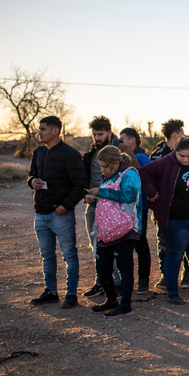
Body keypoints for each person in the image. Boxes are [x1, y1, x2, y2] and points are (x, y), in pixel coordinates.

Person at [139, 138, 189, 304]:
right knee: (174, 256)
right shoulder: (165, 162)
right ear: (176, 152)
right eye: (182, 156)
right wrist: (152, 192)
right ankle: (173, 293)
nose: (186, 159)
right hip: (176, 220)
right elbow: (142, 172)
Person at [27, 115, 87, 308]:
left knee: (69, 254)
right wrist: (31, 181)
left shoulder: (70, 154)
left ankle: (71, 295)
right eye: (39, 129)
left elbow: (80, 185)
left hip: (60, 214)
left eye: (43, 129)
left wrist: (65, 206)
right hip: (41, 213)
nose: (39, 132)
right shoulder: (39, 152)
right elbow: (32, 174)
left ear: (55, 131)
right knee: (47, 255)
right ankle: (51, 291)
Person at [87, 146, 143, 318]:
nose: (102, 170)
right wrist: (94, 199)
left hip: (126, 229)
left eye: (105, 166)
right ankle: (111, 300)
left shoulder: (130, 174)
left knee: (125, 268)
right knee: (102, 267)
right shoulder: (107, 177)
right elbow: (108, 202)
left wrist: (101, 192)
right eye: (101, 166)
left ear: (116, 162)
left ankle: (125, 305)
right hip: (107, 231)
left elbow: (128, 196)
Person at [148, 119, 188, 289]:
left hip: (186, 205)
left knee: (186, 241)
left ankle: (187, 275)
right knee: (163, 242)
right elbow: (150, 179)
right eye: (182, 133)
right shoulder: (157, 155)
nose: (184, 135)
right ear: (175, 135)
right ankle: (167, 276)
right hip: (164, 206)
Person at [81, 115, 117, 298]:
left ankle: (116, 283)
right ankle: (100, 282)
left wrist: (101, 188)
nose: (97, 138)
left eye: (101, 134)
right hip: (93, 204)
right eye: (94, 134)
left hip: (113, 206)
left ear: (109, 132)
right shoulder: (92, 153)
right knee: (95, 245)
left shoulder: (118, 150)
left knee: (114, 246)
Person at [118, 127, 152, 294]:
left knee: (139, 242)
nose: (120, 142)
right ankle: (127, 280)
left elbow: (147, 179)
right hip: (123, 207)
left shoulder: (141, 157)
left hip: (139, 207)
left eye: (122, 139)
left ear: (132, 140)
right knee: (124, 245)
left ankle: (143, 280)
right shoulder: (119, 157)